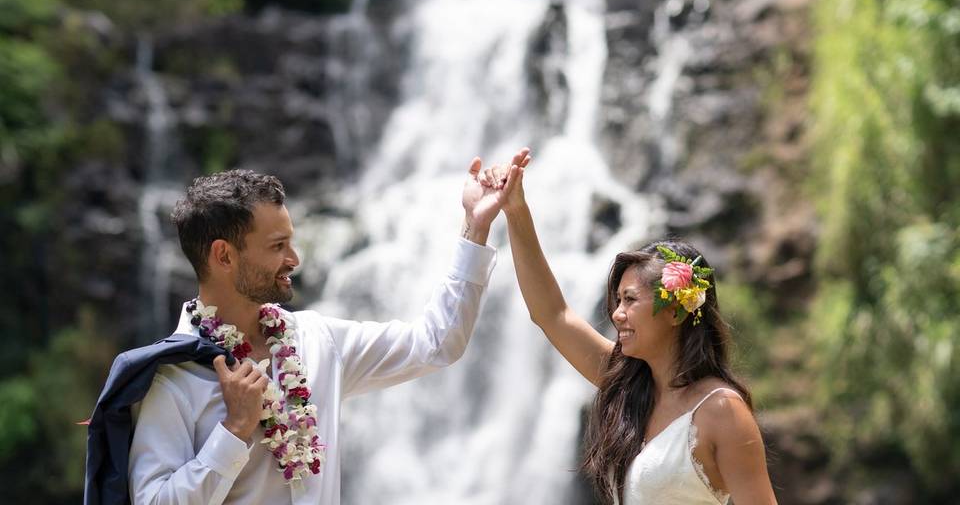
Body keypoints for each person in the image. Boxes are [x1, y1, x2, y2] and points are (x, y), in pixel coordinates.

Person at [121, 152, 523, 505]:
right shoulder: (170, 376)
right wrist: (234, 430)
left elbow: (436, 343)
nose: (294, 258)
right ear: (224, 255)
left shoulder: (318, 340)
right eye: (277, 246)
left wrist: (475, 226)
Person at [487, 148, 778, 505]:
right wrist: (516, 211)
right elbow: (551, 313)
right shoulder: (629, 388)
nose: (617, 314)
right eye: (618, 301)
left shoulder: (722, 410)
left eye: (630, 300)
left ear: (677, 311)